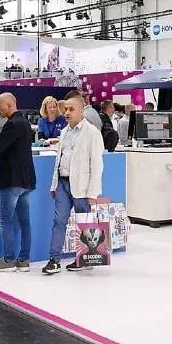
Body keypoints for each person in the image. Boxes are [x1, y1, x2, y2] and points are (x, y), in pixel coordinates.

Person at [42, 96, 104, 275]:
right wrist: (54, 184)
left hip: (82, 186)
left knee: (84, 222)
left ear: (81, 111)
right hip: (63, 183)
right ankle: (54, 260)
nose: (67, 112)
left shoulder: (92, 133)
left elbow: (97, 165)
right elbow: (59, 160)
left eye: (71, 109)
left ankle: (84, 258)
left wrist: (92, 193)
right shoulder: (64, 132)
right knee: (59, 221)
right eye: (66, 109)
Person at [0, 93, 36, 272]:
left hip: (12, 180)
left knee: (6, 220)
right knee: (24, 221)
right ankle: (23, 260)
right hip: (26, 180)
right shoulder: (23, 122)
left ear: (10, 105)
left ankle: (9, 259)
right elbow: (10, 145)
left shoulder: (12, 124)